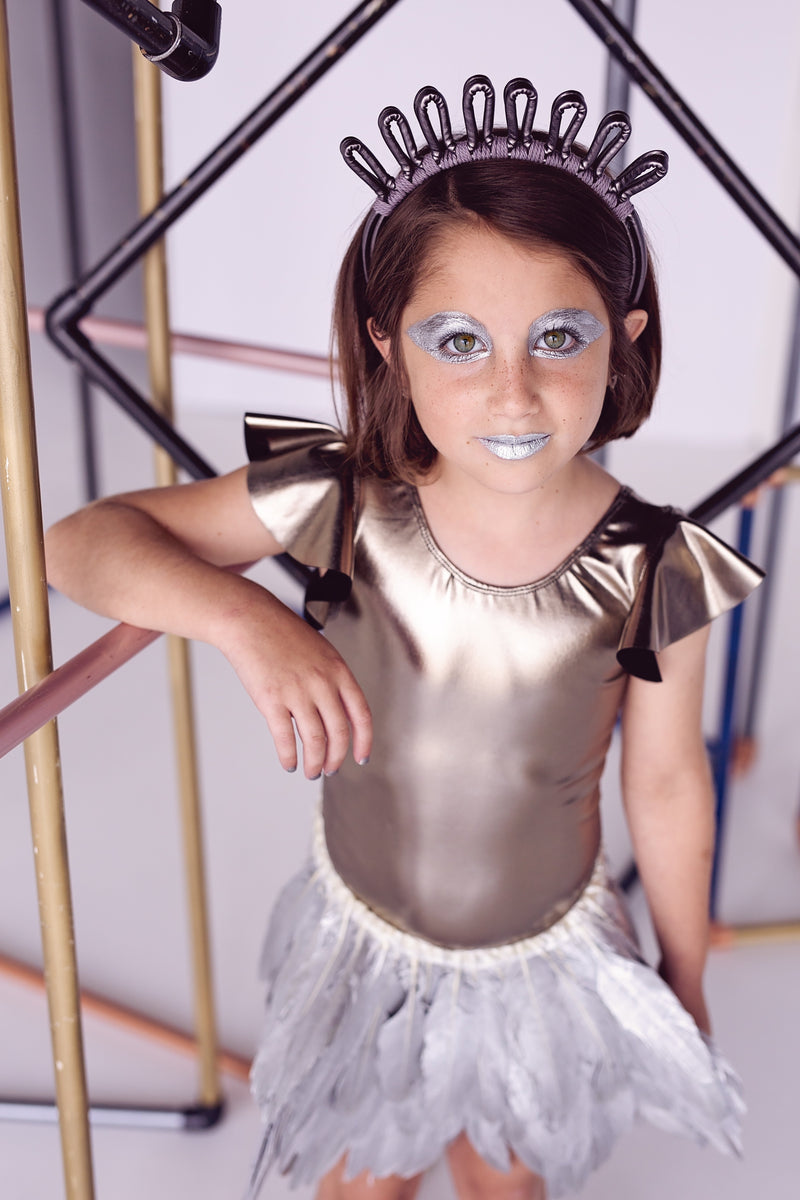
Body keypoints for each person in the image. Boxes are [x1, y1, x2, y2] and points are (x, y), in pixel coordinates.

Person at [45, 77, 762, 1200]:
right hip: (367, 950)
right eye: (459, 342)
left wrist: (683, 967)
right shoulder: (345, 495)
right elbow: (79, 544)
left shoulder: (652, 562)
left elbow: (667, 784)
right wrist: (242, 615)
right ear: (389, 345)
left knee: (505, 1182)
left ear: (622, 341)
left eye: (557, 337)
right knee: (358, 1183)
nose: (513, 393)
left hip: (542, 967)